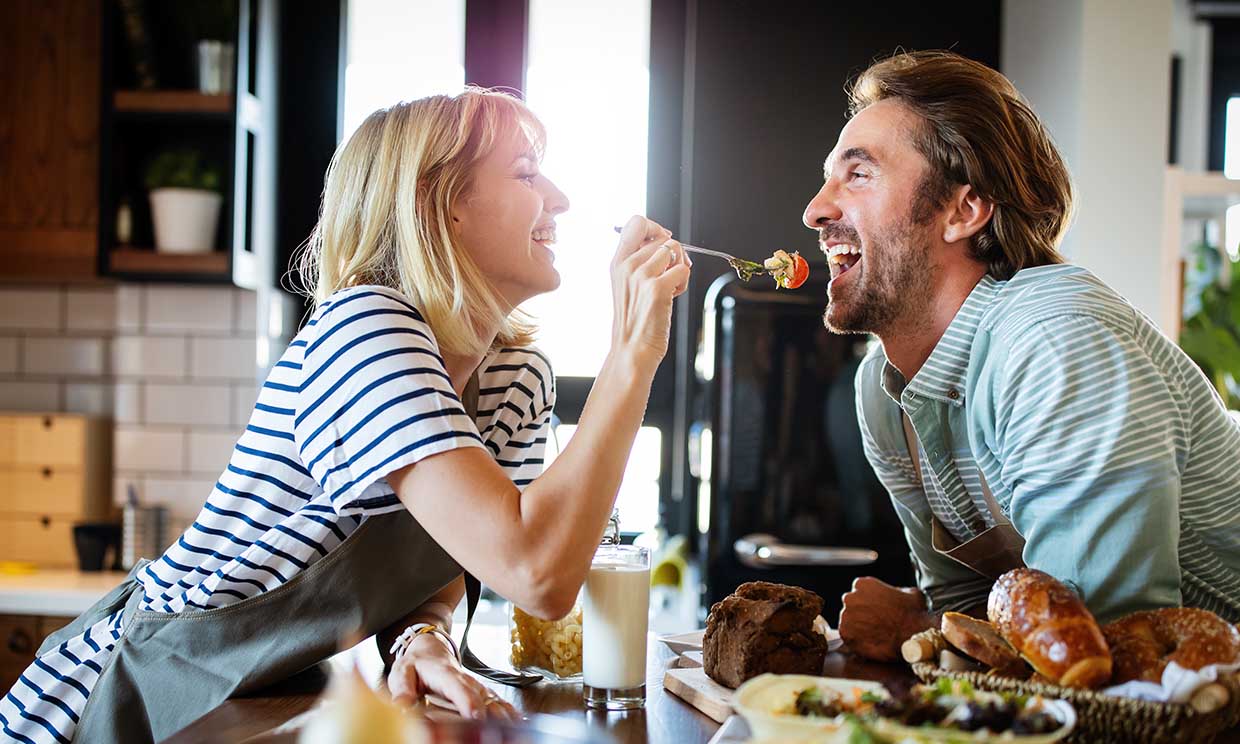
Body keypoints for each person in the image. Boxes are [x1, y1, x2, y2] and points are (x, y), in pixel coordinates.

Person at [1, 89, 691, 742]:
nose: (560, 200)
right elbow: (537, 573)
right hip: (120, 692)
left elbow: (451, 554)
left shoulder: (515, 376)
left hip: (242, 698)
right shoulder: (366, 328)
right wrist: (632, 351)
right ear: (438, 201)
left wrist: (426, 636)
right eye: (527, 174)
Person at [802, 51, 1240, 662]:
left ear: (964, 209)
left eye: (859, 175)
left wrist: (916, 630)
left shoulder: (1056, 342)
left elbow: (1105, 654)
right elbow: (968, 608)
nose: (816, 210)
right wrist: (937, 623)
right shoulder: (882, 392)